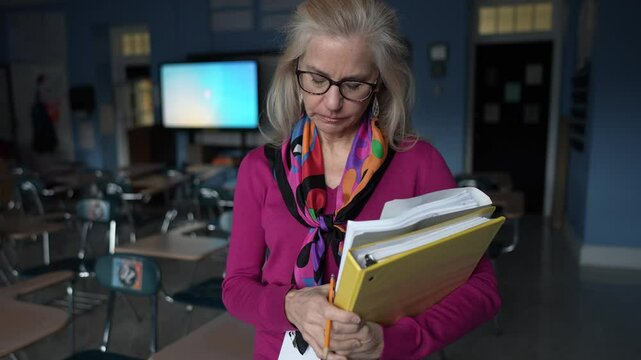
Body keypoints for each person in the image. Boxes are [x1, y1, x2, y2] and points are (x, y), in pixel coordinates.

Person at [222, 1, 501, 359]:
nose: (333, 103)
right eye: (317, 79)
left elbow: (482, 290)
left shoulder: (418, 164)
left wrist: (391, 341)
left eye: (353, 84)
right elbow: (236, 288)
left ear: (379, 83)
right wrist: (291, 306)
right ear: (295, 73)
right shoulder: (258, 169)